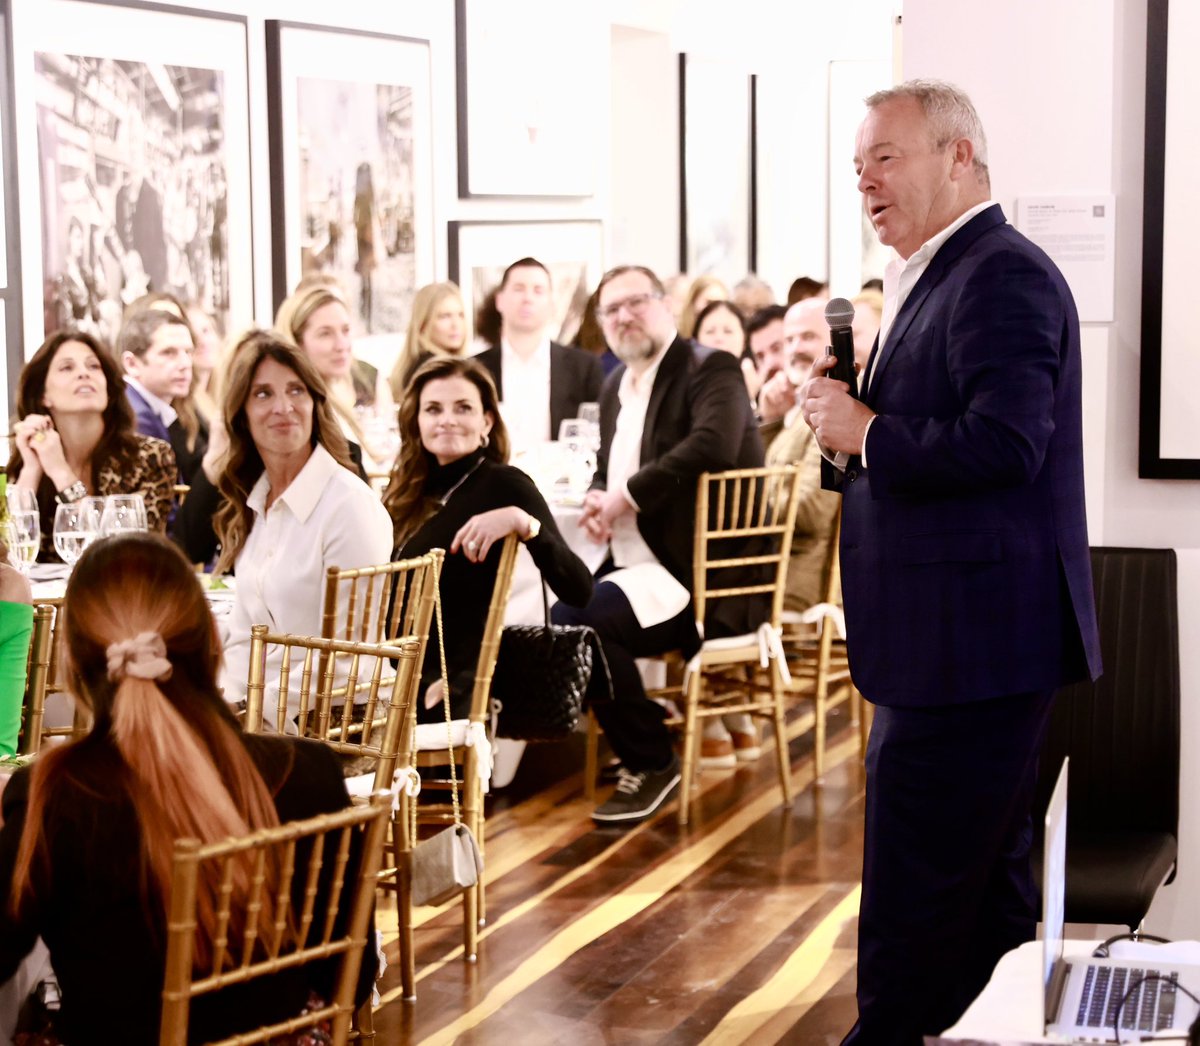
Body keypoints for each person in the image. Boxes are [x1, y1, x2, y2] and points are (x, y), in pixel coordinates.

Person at [800, 79, 1102, 1043]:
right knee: (987, 909)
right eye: (858, 169)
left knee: (913, 908)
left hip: (970, 654)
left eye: (884, 159)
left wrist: (871, 430)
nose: (867, 184)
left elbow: (1006, 444)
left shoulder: (999, 273)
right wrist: (847, 431)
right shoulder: (938, 273)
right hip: (957, 649)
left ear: (959, 157)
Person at [0, 533, 376, 1043]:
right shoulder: (309, 771)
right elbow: (349, 977)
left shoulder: (53, 793)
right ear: (211, 643)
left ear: (71, 662)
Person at [551, 265, 765, 825]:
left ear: (666, 304)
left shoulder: (709, 367)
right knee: (562, 613)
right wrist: (601, 499)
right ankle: (644, 739)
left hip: (698, 571)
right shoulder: (613, 384)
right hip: (635, 565)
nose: (624, 317)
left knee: (582, 619)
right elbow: (607, 469)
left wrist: (625, 498)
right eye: (611, 309)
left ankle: (651, 759)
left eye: (635, 302)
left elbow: (713, 446)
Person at [192, 334, 392, 716]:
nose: (283, 407)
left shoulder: (348, 506)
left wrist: (256, 709)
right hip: (271, 717)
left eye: (296, 391)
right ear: (242, 415)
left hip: (341, 721)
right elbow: (241, 635)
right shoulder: (258, 504)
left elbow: (348, 653)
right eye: (263, 394)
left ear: (315, 404)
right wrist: (228, 702)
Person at [384, 356, 593, 721]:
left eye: (462, 408)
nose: (447, 419)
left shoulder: (504, 484)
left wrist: (524, 523)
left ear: (486, 421)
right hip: (391, 673)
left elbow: (579, 588)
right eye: (433, 409)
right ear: (417, 421)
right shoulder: (405, 492)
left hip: (450, 685)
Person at [8, 330, 176, 558]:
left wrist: (61, 473)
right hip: (40, 595)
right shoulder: (26, 456)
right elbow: (7, 556)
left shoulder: (150, 456)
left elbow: (126, 555)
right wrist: (31, 470)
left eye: (93, 366)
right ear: (43, 395)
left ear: (108, 387)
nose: (83, 374)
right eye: (67, 367)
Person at [474, 257, 604, 453]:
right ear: (499, 300)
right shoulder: (475, 368)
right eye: (518, 289)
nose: (528, 298)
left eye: (538, 290)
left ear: (551, 303)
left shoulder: (584, 367)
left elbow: (600, 434)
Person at [274, 281, 394, 471]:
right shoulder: (297, 411)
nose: (341, 344)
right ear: (297, 344)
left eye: (345, 330)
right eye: (325, 334)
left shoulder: (337, 397)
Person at [117, 307, 207, 487]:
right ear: (132, 364)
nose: (185, 364)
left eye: (188, 352)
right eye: (169, 353)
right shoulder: (136, 418)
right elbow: (163, 509)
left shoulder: (141, 407)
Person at [388, 280, 468, 400]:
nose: (456, 324)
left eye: (460, 315)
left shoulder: (415, 365)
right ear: (423, 324)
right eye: (445, 316)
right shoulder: (437, 370)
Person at [677, 274, 728, 339]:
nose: (715, 308)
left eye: (720, 304)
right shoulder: (678, 341)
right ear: (693, 302)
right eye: (709, 302)